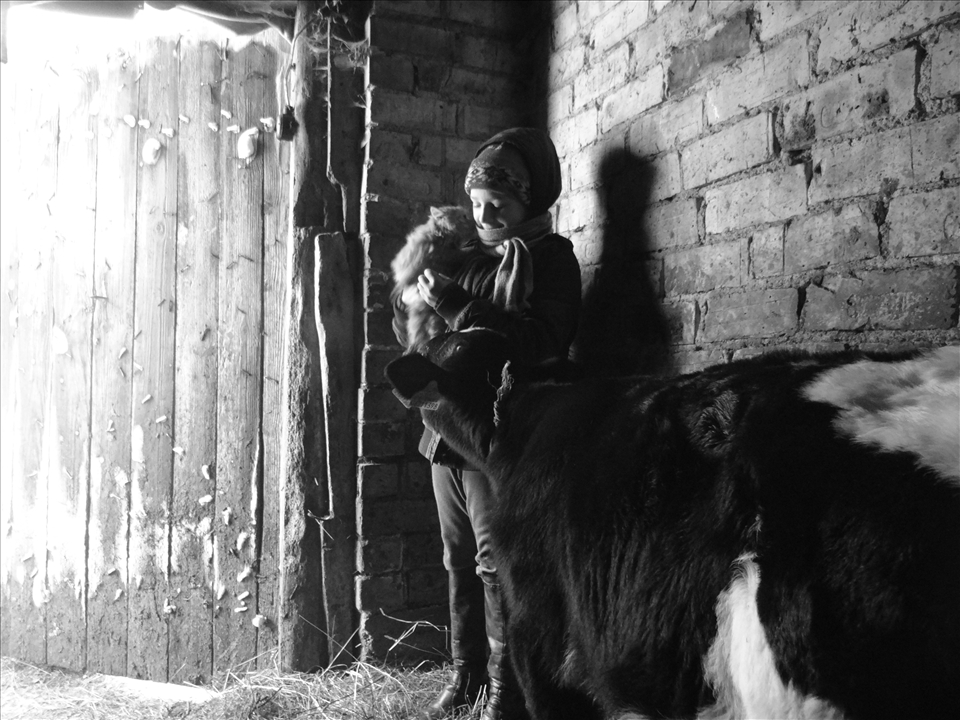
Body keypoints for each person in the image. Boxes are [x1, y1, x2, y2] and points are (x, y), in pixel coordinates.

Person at [394, 127, 581, 720]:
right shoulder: (469, 256)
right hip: (446, 426)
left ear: (532, 199)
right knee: (455, 554)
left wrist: (455, 305)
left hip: (499, 429)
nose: (485, 214)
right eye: (476, 203)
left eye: (498, 202)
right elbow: (429, 341)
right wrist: (416, 304)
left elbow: (541, 342)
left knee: (490, 557)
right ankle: (466, 673)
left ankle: (506, 689)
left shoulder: (551, 260)